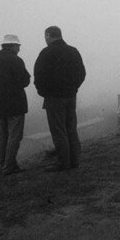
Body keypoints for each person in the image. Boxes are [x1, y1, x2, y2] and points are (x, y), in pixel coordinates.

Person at [34, 26, 86, 172]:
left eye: (45, 37)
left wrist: (44, 92)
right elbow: (81, 73)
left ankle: (63, 162)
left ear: (48, 36)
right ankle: (74, 161)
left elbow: (39, 76)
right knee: (71, 128)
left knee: (58, 131)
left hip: (53, 98)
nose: (45, 40)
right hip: (70, 96)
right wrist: (73, 88)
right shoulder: (73, 51)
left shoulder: (46, 53)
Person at [0, 34, 30, 176]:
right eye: (18, 46)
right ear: (13, 46)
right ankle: (9, 166)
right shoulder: (16, 60)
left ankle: (2, 164)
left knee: (2, 136)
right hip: (15, 105)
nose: (19, 49)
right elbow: (25, 81)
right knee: (14, 136)